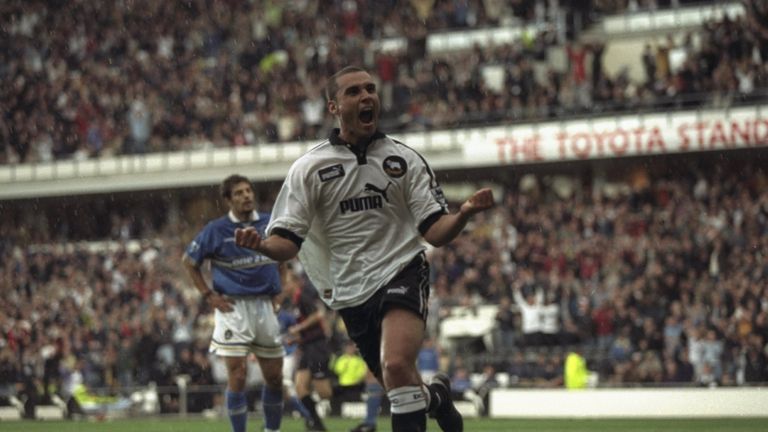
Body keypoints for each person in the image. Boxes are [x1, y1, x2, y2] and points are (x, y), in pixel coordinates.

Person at [235, 65, 495, 432]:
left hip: (402, 269)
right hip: (350, 291)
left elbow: (435, 231)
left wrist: (464, 213)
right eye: (354, 92)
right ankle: (437, 398)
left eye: (370, 89)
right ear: (333, 108)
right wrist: (260, 245)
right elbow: (287, 242)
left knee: (394, 366)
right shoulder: (309, 169)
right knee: (400, 383)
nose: (366, 96)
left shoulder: (404, 160)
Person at [182, 174, 285, 432]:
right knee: (238, 376)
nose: (246, 196)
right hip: (233, 308)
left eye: (249, 190)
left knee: (274, 378)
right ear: (228, 200)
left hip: (264, 306)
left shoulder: (269, 222)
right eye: (239, 193)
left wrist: (279, 292)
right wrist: (209, 295)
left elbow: (284, 257)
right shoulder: (215, 230)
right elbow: (189, 262)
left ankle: (272, 430)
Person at [283, 267, 333, 432]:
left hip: (317, 347)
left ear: (296, 282)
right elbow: (307, 328)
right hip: (307, 347)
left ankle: (353, 390)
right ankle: (316, 424)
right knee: (300, 387)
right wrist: (296, 338)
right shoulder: (295, 301)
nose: (285, 285)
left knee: (324, 392)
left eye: (287, 281)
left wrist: (298, 328)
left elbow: (318, 315)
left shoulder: (304, 296)